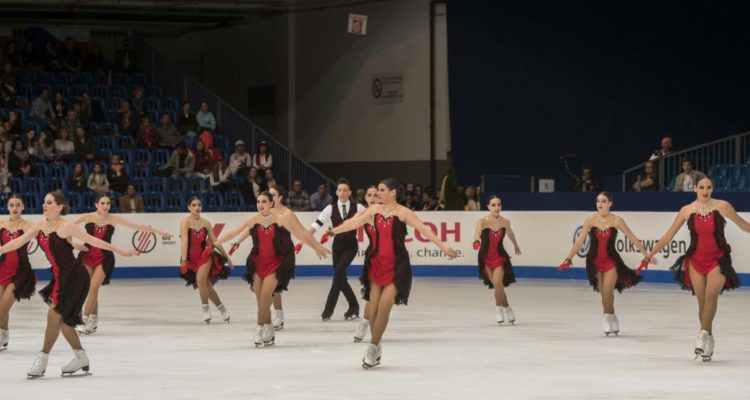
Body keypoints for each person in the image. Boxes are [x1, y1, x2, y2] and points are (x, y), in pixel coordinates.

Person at [0, 191, 137, 379]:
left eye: (49, 202)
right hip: (59, 278)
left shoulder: (65, 227)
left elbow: (94, 240)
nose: (44, 205)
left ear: (60, 207)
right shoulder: (39, 226)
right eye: (44, 202)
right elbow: (17, 242)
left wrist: (121, 250)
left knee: (53, 315)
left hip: (73, 277)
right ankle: (81, 357)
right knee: (64, 322)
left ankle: (42, 360)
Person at [329, 178, 457, 368]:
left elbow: (425, 230)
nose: (378, 194)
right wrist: (334, 231)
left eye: (381, 190)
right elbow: (353, 223)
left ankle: (372, 348)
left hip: (397, 266)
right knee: (372, 309)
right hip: (375, 265)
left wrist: (444, 247)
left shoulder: (404, 213)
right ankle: (378, 343)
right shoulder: (374, 210)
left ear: (393, 192)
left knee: (384, 307)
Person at [645, 176, 748, 361]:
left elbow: (743, 224)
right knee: (702, 303)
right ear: (694, 188)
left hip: (718, 259)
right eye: (701, 187)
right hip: (695, 261)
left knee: (711, 297)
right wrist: (650, 253)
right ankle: (709, 338)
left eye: (708, 187)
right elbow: (668, 236)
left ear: (712, 188)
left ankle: (702, 335)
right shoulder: (686, 210)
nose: (705, 190)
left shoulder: (722, 206)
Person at [215, 192, 329, 347]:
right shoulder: (253, 220)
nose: (260, 205)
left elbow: (301, 234)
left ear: (270, 203)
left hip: (275, 264)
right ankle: (269, 326)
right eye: (258, 202)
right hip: (257, 263)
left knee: (265, 295)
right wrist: (215, 243)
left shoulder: (281, 220)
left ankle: (259, 329)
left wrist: (317, 247)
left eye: (264, 201)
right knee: (259, 297)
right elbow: (233, 232)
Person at [72, 194, 171, 335]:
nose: (105, 206)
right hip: (87, 255)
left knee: (93, 288)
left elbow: (137, 226)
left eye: (108, 203)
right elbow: (67, 228)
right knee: (88, 289)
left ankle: (83, 321)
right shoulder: (87, 216)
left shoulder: (114, 219)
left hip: (104, 258)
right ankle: (93, 321)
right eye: (102, 203)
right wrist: (73, 243)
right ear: (96, 204)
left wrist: (158, 231)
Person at [559, 191, 648, 336]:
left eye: (603, 201)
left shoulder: (617, 220)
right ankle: (611, 315)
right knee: (603, 294)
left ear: (610, 203)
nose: (599, 204)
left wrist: (647, 255)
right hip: (594, 262)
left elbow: (632, 238)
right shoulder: (590, 219)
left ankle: (606, 318)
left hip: (611, 261)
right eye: (598, 201)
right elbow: (580, 241)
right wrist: (568, 258)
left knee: (607, 291)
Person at [310, 179, 364, 321]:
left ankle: (328, 311)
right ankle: (354, 307)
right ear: (336, 192)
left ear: (350, 192)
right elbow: (317, 223)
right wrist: (306, 235)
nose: (342, 192)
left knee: (338, 274)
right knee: (341, 278)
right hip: (337, 246)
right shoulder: (330, 208)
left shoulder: (358, 207)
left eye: (345, 190)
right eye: (340, 190)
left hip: (351, 245)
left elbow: (370, 221)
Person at [179, 196, 232, 323]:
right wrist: (184, 260)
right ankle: (222, 308)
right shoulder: (185, 222)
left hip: (205, 256)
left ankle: (205, 309)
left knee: (200, 280)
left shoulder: (206, 223)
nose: (197, 207)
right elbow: (185, 241)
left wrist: (226, 256)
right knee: (207, 286)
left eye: (199, 205)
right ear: (189, 208)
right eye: (194, 205)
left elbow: (215, 242)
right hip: (191, 259)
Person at [472, 195, 520, 324]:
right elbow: (477, 232)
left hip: (499, 257)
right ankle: (508, 308)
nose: (497, 207)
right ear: (488, 207)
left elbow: (510, 233)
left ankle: (498, 308)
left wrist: (516, 245)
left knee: (499, 283)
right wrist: (476, 240)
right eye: (493, 205)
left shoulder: (505, 221)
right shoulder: (482, 221)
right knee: (497, 285)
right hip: (485, 258)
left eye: (499, 204)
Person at [0, 195, 37, 352]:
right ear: (7, 207)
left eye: (18, 205)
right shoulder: (1, 224)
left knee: (2, 308)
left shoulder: (29, 226)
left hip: (20, 272)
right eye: (11, 205)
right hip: (2, 269)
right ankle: (3, 337)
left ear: (23, 207)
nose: (14, 208)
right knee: (2, 307)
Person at [353, 185, 379, 342]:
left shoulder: (389, 212)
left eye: (376, 195)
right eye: (369, 195)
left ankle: (373, 323)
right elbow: (349, 223)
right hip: (373, 257)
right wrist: (332, 232)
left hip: (390, 257)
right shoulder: (363, 213)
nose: (372, 198)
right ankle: (365, 322)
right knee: (371, 294)